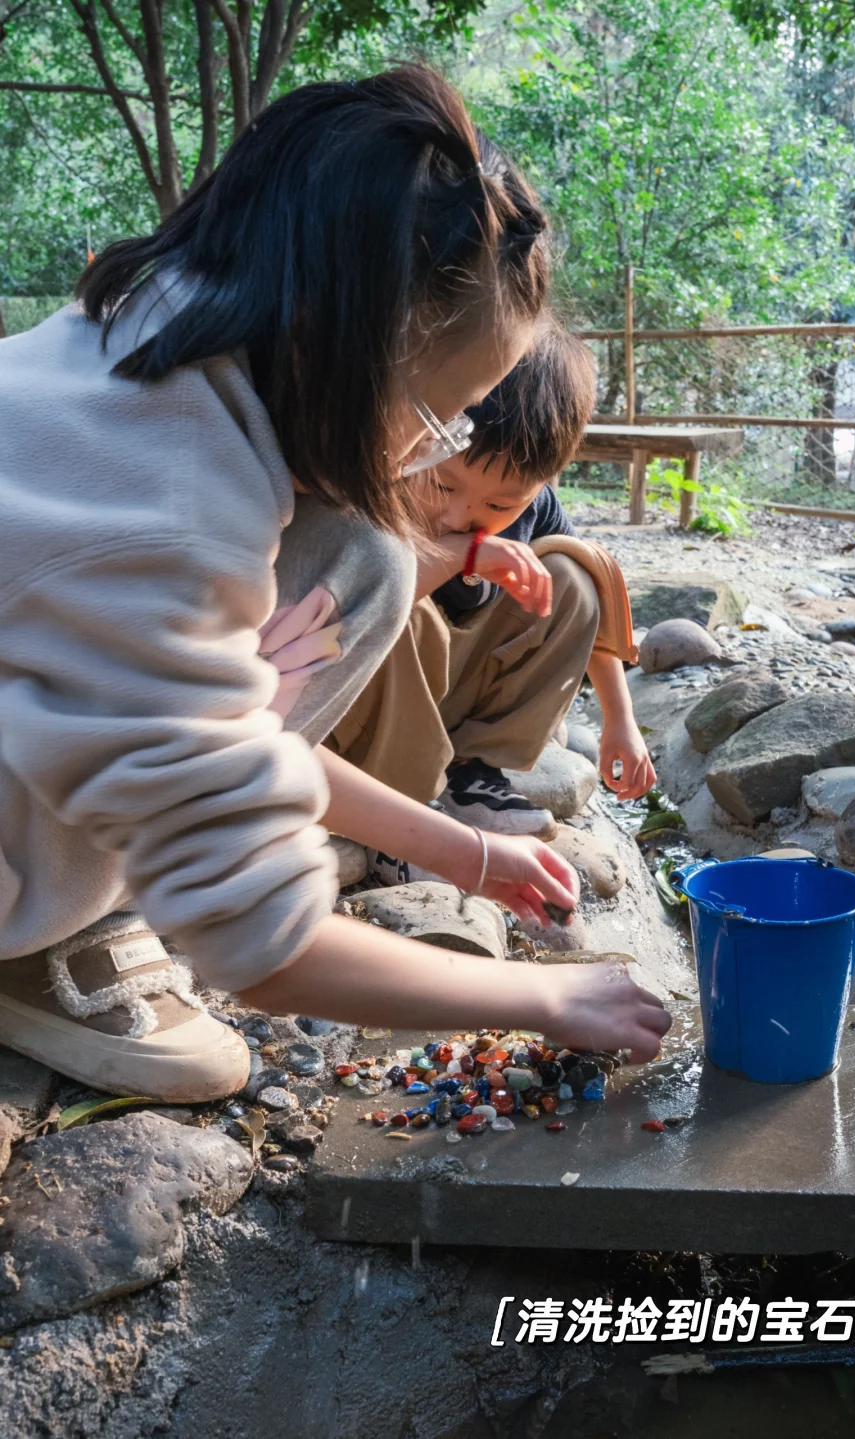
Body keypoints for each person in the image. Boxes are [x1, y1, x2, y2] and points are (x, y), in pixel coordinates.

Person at [0, 68, 670, 1103]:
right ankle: (39, 939)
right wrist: (543, 1000)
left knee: (363, 555)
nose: (428, 454)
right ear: (339, 345)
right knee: (368, 557)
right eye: (442, 415)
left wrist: (469, 858)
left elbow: (222, 732)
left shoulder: (151, 331)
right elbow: (263, 945)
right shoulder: (166, 524)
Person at [332, 324, 656, 850]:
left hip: (452, 692)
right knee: (396, 593)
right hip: (379, 709)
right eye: (443, 484)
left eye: (501, 505)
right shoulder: (387, 480)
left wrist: (622, 722)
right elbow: (349, 607)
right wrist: (463, 554)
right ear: (425, 436)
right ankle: (396, 797)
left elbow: (591, 617)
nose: (463, 514)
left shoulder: (539, 506)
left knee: (575, 575)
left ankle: (474, 769)